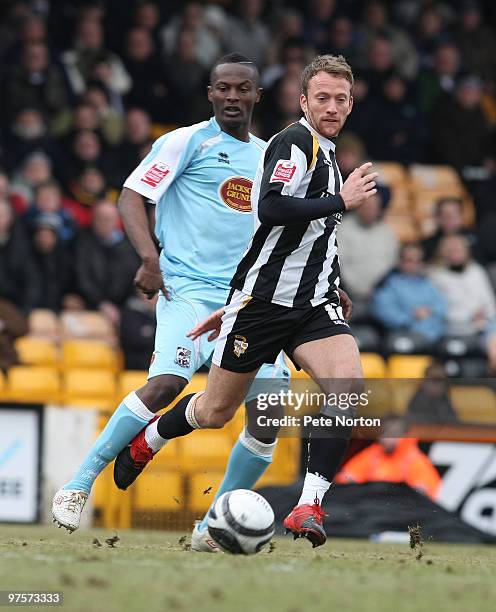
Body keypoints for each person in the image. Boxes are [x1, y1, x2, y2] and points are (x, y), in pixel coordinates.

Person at [114, 54, 377, 548]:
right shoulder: (292, 143)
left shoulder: (331, 159)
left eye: (341, 99)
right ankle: (150, 438)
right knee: (214, 411)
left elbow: (316, 237)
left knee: (348, 390)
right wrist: (343, 202)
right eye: (322, 97)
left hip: (313, 306)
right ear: (304, 101)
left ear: (350, 104)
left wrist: (334, 278)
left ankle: (308, 506)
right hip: (262, 308)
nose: (332, 106)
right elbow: (272, 208)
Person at [51, 54, 298, 551]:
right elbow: (130, 196)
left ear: (257, 96)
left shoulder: (271, 155)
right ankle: (79, 483)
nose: (232, 97)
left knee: (267, 415)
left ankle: (211, 528)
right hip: (185, 288)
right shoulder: (186, 140)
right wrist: (149, 259)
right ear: (210, 93)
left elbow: (288, 225)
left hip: (245, 301)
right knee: (166, 384)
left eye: (242, 89)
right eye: (222, 88)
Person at [335, 416, 442, 501]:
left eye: (392, 434)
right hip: (370, 510)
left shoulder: (415, 461)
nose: (386, 439)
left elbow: (425, 496)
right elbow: (346, 479)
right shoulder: (373, 454)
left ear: (404, 435)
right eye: (384, 434)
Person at [371, 243, 446, 352]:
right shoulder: (389, 285)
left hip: (435, 335)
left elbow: (442, 305)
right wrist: (411, 316)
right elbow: (383, 312)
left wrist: (430, 310)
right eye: (409, 260)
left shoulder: (428, 283)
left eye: (418, 261)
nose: (414, 265)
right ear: (400, 261)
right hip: (404, 333)